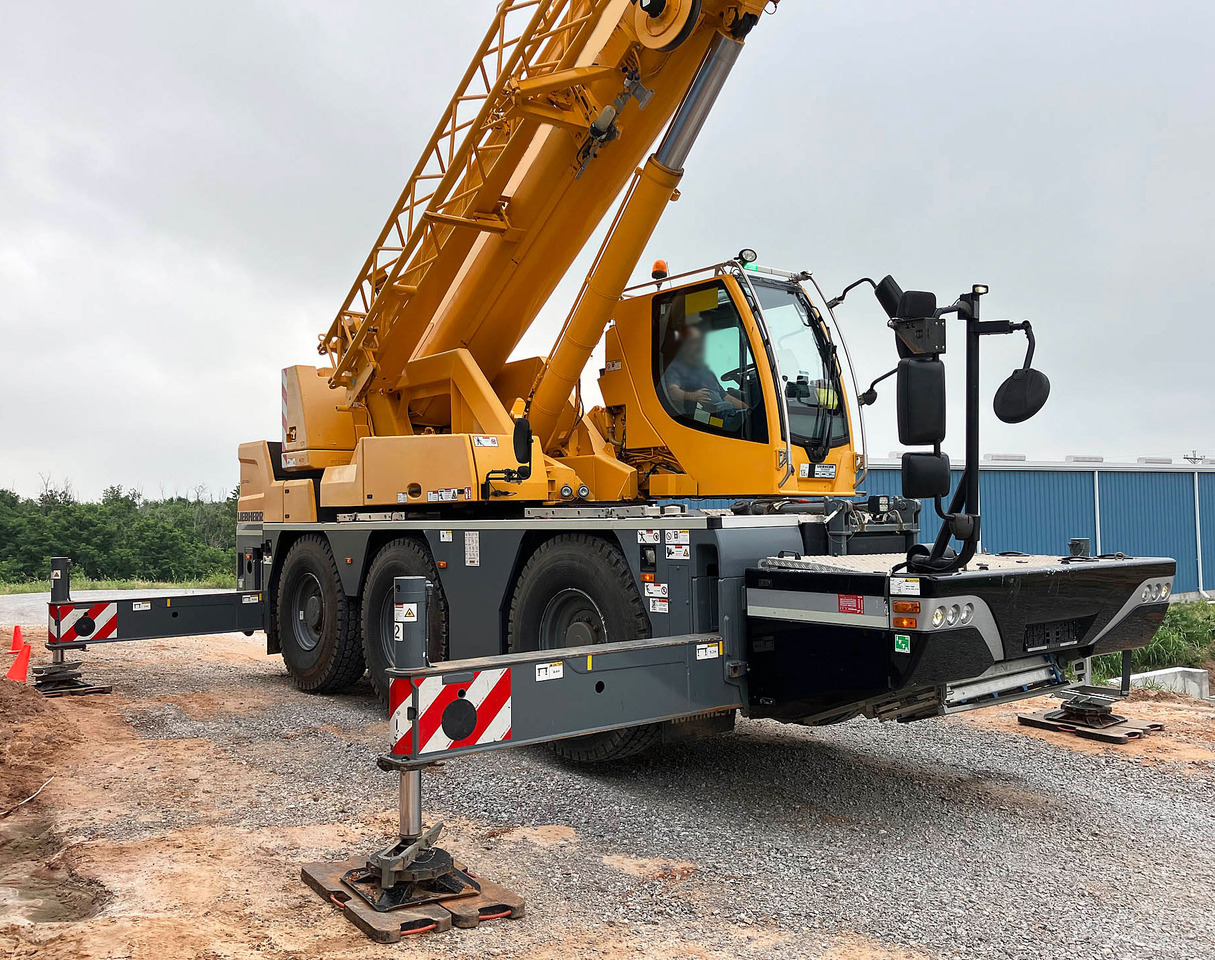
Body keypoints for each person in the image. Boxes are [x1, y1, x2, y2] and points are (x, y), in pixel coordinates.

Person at [661, 324, 747, 414]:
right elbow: (672, 392)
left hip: (721, 412)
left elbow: (726, 397)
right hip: (701, 415)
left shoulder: (707, 372)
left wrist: (747, 409)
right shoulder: (676, 368)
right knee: (728, 407)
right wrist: (692, 396)